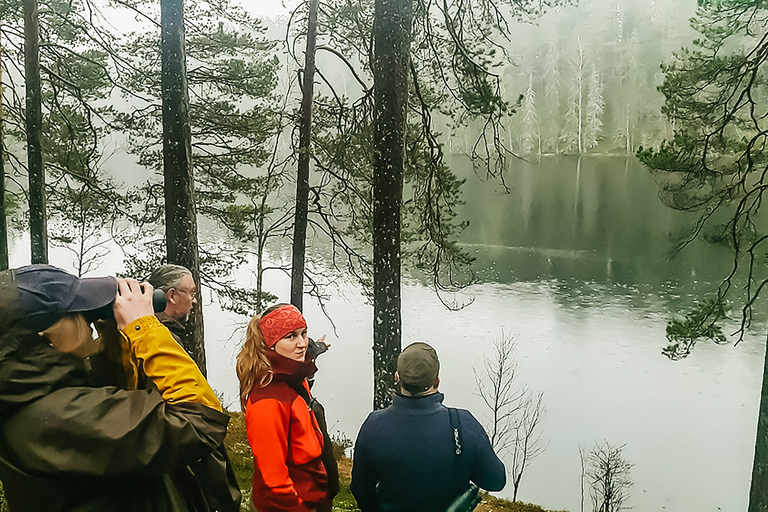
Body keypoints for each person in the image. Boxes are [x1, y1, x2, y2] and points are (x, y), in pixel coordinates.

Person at [0, 264, 240, 512]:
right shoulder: (62, 416)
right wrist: (144, 328)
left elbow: (119, 404)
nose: (89, 320)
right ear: (46, 334)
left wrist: (113, 338)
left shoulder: (30, 393)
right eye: (78, 314)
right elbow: (200, 420)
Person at [350, 342, 506, 512]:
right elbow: (496, 481)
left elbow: (361, 490)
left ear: (397, 377)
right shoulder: (462, 423)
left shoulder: (374, 425)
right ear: (437, 381)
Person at [236, 303, 338, 512]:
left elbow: (306, 352)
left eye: (304, 333)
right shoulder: (268, 401)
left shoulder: (292, 374)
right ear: (270, 344)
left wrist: (316, 349)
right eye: (291, 336)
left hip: (316, 499)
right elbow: (274, 483)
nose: (301, 343)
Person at [148, 264, 198, 342]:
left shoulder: (140, 328)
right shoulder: (165, 339)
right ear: (172, 296)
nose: (195, 301)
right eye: (191, 294)